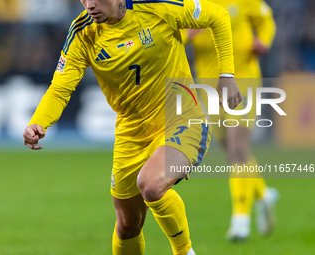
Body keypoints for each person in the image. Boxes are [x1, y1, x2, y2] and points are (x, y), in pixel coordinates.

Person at [23, 0, 241, 254]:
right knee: (127, 225)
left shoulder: (158, 7)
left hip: (181, 118)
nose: (89, 4)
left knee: (150, 184)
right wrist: (39, 121)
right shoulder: (82, 33)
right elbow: (60, 88)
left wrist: (227, 75)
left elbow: (218, 16)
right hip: (131, 132)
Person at [186, 0, 278, 242]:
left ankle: (240, 220)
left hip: (244, 80)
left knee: (238, 149)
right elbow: (169, 33)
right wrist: (187, 33)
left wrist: (264, 41)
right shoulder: (190, 4)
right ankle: (263, 195)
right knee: (232, 152)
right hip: (209, 88)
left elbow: (266, 18)